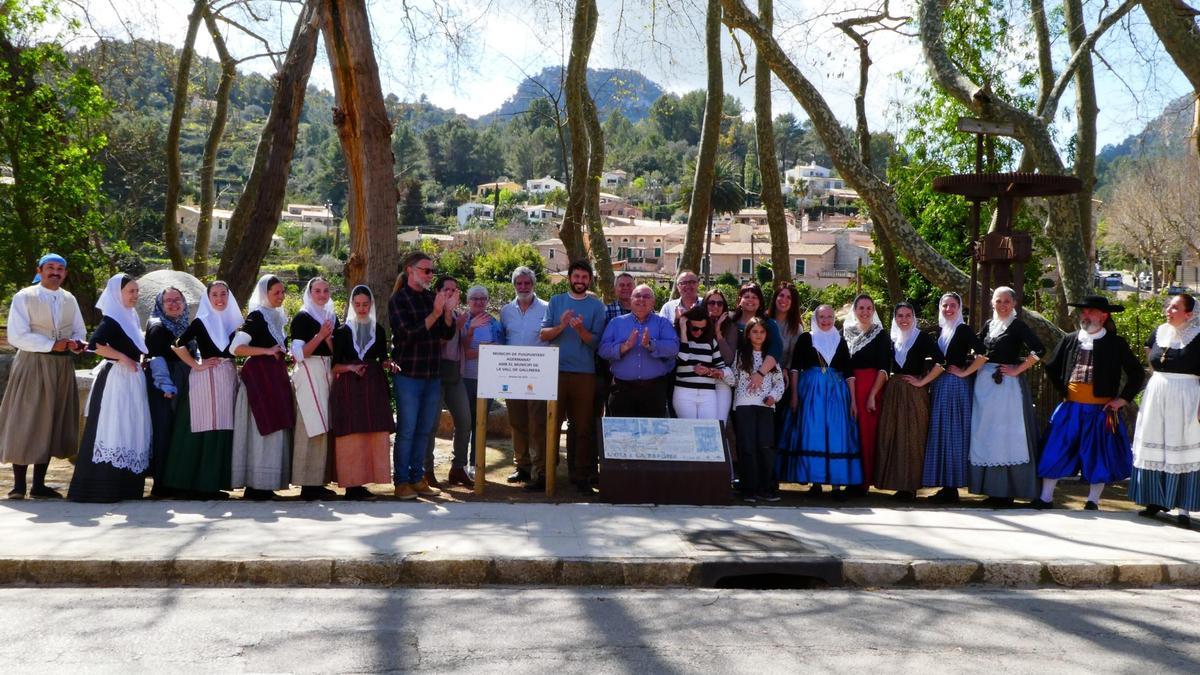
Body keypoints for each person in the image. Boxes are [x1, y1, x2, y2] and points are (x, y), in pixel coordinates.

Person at [1036, 296, 1144, 510]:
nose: (1084, 315)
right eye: (1083, 311)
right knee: (1055, 449)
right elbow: (1052, 366)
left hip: (1101, 411)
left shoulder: (1116, 343)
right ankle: (1045, 498)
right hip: (1070, 409)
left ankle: (1093, 501)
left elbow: (1136, 373)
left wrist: (1122, 400)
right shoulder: (1070, 339)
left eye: (1090, 311)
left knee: (1099, 455)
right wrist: (1063, 390)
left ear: (1103, 316)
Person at [0, 253, 86, 499]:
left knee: (52, 420)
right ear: (40, 270)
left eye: (60, 268)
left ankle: (39, 485)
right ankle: (18, 485)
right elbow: (17, 335)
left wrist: (76, 344)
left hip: (61, 366)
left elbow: (79, 330)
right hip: (32, 363)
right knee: (26, 418)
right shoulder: (25, 296)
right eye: (50, 267)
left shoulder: (69, 299)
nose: (55, 272)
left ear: (65, 273)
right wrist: (50, 345)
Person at [68, 274, 153, 502]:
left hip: (131, 380)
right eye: (131, 291)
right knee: (113, 428)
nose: (135, 295)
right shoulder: (112, 319)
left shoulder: (130, 317)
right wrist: (123, 358)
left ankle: (126, 487)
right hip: (116, 380)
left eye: (137, 291)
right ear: (117, 294)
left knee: (130, 428)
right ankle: (101, 488)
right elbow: (96, 345)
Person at [389, 251, 457, 500]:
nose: (430, 275)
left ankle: (417, 478)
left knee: (425, 430)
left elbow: (446, 335)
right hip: (408, 374)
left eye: (432, 271)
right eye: (426, 270)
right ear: (410, 270)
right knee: (407, 430)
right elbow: (408, 335)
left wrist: (448, 312)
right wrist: (436, 314)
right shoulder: (398, 299)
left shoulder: (431, 298)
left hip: (432, 374)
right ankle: (401, 482)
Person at [969, 286, 1046, 506]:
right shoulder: (989, 325)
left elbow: (1039, 350)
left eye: (1006, 301)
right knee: (987, 434)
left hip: (1006, 388)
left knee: (1006, 436)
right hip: (985, 386)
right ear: (992, 303)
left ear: (1014, 304)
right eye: (998, 301)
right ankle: (992, 490)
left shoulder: (1018, 326)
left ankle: (1007, 490)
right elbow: (978, 347)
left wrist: (1017, 369)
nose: (1002, 305)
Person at [164, 281, 241, 499]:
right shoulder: (202, 321)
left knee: (223, 427)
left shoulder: (234, 321)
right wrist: (196, 365)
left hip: (226, 376)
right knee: (204, 426)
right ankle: (195, 485)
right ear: (208, 298)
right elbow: (177, 344)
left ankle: (214, 484)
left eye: (223, 294)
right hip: (206, 378)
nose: (219, 298)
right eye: (214, 294)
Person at [1131, 294, 1200, 527]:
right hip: (1157, 393)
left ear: (1189, 314)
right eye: (1168, 306)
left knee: (1181, 446)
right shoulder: (1159, 332)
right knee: (1155, 444)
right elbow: (1150, 356)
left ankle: (1184, 507)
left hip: (1186, 396)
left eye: (1175, 307)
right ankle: (1154, 499)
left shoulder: (1198, 337)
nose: (1168, 310)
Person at [779, 304, 861, 501]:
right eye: (822, 317)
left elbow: (849, 373)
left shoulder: (840, 340)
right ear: (815, 319)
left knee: (836, 434)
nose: (826, 321)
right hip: (811, 392)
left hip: (836, 393)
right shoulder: (806, 338)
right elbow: (795, 368)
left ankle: (836, 485)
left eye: (830, 317)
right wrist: (794, 395)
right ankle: (815, 482)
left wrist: (853, 401)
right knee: (813, 433)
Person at [539, 259, 607, 494]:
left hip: (584, 375)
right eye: (576, 276)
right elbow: (543, 334)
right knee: (551, 424)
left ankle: (580, 476)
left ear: (590, 280)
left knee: (582, 427)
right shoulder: (556, 301)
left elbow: (597, 343)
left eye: (584, 277)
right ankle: (547, 474)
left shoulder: (597, 307)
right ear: (569, 278)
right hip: (555, 372)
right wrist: (561, 326)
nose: (580, 281)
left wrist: (580, 330)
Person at [230, 275, 295, 500]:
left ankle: (267, 485)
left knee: (275, 428)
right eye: (276, 292)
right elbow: (236, 348)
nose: (281, 296)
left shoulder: (277, 316)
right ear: (264, 294)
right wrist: (266, 351)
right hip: (259, 379)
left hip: (275, 377)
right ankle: (256, 486)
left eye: (283, 292)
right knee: (261, 429)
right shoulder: (257, 317)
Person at [874, 302, 945, 502]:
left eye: (907, 315)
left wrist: (922, 381)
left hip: (914, 393)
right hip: (894, 392)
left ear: (913, 317)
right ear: (895, 318)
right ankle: (898, 484)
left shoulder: (922, 338)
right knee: (894, 437)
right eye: (900, 316)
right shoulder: (892, 339)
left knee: (913, 437)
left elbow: (942, 362)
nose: (904, 319)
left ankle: (911, 485)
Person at [330, 285, 394, 500]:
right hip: (349, 387)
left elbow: (382, 358)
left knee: (372, 434)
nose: (361, 308)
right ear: (352, 305)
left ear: (371, 304)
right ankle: (351, 485)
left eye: (365, 304)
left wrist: (389, 364)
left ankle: (364, 482)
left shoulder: (379, 330)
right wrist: (351, 367)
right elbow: (335, 366)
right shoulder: (342, 332)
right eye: (357, 304)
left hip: (373, 386)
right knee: (352, 434)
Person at [922, 292, 987, 503]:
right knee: (941, 432)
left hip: (955, 386)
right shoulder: (941, 331)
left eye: (952, 305)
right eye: (945, 305)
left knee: (953, 433)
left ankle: (952, 486)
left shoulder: (963, 329)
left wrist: (965, 372)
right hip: (941, 384)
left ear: (959, 308)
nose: (948, 309)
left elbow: (983, 353)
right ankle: (946, 486)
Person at [723, 317, 786, 502]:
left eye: (762, 332)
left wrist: (773, 397)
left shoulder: (771, 359)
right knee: (747, 447)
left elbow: (779, 384)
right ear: (748, 334)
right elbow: (733, 378)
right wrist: (720, 373)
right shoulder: (740, 355)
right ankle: (748, 489)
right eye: (754, 331)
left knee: (765, 447)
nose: (758, 335)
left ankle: (766, 488)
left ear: (767, 335)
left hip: (765, 407)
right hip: (744, 406)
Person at [289, 277, 338, 500]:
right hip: (309, 371)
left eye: (326, 290)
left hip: (326, 372)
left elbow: (336, 351)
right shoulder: (302, 317)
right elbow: (299, 354)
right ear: (310, 293)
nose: (322, 295)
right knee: (310, 424)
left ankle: (318, 481)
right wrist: (320, 336)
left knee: (324, 425)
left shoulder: (331, 317)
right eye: (317, 291)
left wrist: (327, 338)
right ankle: (307, 484)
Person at [500, 266, 549, 490]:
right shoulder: (506, 311)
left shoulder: (547, 308)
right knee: (517, 422)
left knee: (538, 424)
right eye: (519, 283)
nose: (523, 287)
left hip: (538, 375)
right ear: (514, 285)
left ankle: (541, 471)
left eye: (527, 283)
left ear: (533, 284)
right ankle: (522, 466)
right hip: (512, 374)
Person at [599, 283, 679, 417]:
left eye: (646, 296)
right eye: (637, 296)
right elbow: (603, 350)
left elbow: (674, 348)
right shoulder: (616, 323)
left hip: (653, 390)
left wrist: (651, 345)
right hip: (622, 390)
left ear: (653, 302)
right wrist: (624, 347)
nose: (641, 299)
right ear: (631, 300)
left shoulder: (663, 323)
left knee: (652, 430)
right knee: (622, 430)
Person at [423, 276, 473, 489]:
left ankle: (458, 467)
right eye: (447, 289)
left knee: (465, 421)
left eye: (455, 289)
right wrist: (454, 326)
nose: (451, 293)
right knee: (431, 425)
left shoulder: (456, 314)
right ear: (438, 292)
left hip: (455, 374)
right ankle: (426, 470)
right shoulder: (432, 313)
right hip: (435, 375)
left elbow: (462, 346)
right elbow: (436, 342)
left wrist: (467, 329)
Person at [144, 287, 191, 498]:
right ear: (160, 305)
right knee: (163, 430)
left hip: (181, 379)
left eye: (177, 299)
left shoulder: (183, 325)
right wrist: (166, 386)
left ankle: (176, 480)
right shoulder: (157, 326)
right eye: (168, 301)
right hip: (165, 384)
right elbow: (156, 358)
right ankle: (161, 484)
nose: (173, 304)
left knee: (176, 431)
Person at [844, 293, 890, 494]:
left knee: (866, 434)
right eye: (861, 308)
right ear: (854, 310)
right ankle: (849, 477)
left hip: (870, 388)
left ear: (873, 311)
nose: (865, 312)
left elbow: (884, 368)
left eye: (869, 308)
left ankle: (863, 481)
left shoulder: (880, 335)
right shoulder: (845, 333)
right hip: (848, 387)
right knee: (849, 434)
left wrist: (872, 395)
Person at [461, 284, 506, 473]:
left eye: (483, 298)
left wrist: (480, 350)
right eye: (475, 298)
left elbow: (500, 351)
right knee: (464, 423)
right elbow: (463, 352)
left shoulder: (495, 323)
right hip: (464, 379)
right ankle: (460, 465)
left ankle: (476, 464)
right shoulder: (461, 321)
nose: (479, 302)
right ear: (468, 301)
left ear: (487, 301)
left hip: (487, 380)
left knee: (480, 423)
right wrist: (485, 348)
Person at [673, 306, 728, 419]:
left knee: (708, 427)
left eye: (702, 329)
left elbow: (721, 367)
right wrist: (683, 331)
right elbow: (683, 357)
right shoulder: (678, 339)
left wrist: (709, 371)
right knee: (688, 428)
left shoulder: (711, 342)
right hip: (684, 392)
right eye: (695, 328)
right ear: (687, 324)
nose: (699, 332)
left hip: (707, 393)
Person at [705, 289, 737, 423]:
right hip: (701, 378)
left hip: (721, 378)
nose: (715, 306)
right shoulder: (698, 323)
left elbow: (729, 358)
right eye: (711, 303)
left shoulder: (730, 327)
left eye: (719, 303)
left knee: (720, 423)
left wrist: (718, 332)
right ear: (705, 304)